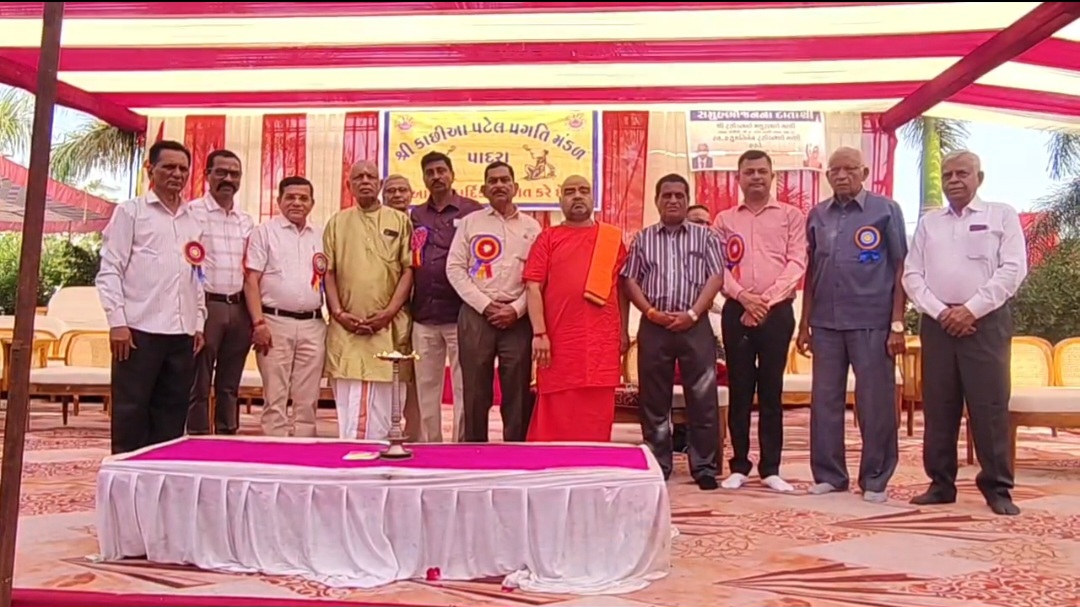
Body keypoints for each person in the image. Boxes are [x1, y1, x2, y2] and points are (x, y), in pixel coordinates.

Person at [902, 150, 1027, 516]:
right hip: (938, 323)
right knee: (939, 406)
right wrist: (942, 312)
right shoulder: (930, 223)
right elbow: (912, 274)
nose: (954, 180)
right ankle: (941, 484)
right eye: (948, 175)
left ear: (979, 178)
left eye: (962, 173)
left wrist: (971, 309)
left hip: (984, 323)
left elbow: (1013, 269)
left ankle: (998, 488)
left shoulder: (1001, 215)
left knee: (989, 406)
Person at [798, 146, 907, 503]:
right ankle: (830, 475)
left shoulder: (886, 210)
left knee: (875, 403)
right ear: (827, 175)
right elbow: (812, 271)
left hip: (872, 321)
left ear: (864, 173)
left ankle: (875, 479)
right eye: (835, 170)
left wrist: (897, 322)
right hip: (826, 323)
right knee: (824, 402)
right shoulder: (818, 214)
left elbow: (901, 267)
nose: (842, 175)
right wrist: (804, 324)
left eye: (849, 169)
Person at [96, 140, 206, 455]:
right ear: (150, 169)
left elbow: (197, 274)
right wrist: (117, 322)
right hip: (138, 331)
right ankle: (125, 475)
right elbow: (110, 270)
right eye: (168, 167)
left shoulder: (193, 218)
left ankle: (161, 476)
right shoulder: (130, 212)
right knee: (131, 412)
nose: (177, 174)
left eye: (183, 168)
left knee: (172, 414)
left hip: (182, 333)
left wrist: (198, 321)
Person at [620, 174, 725, 490]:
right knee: (654, 399)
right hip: (655, 326)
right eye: (666, 195)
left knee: (702, 398)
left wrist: (693, 313)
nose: (673, 201)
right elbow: (629, 280)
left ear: (687, 199)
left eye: (679, 195)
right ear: (657, 201)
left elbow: (716, 277)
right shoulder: (643, 239)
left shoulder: (705, 237)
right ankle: (658, 464)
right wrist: (650, 312)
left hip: (695, 325)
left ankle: (704, 467)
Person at [714, 150, 807, 492]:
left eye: (762, 171)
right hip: (736, 310)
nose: (756, 177)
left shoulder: (791, 216)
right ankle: (739, 465)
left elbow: (797, 262)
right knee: (740, 388)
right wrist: (744, 298)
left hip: (776, 311)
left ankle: (771, 468)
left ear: (772, 176)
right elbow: (717, 267)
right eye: (749, 172)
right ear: (738, 178)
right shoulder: (724, 219)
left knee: (771, 390)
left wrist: (764, 301)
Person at [524, 175, 629, 442]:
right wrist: (539, 333)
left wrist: (623, 331)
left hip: (601, 341)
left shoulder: (611, 239)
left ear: (593, 198)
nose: (578, 196)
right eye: (570, 191)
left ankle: (593, 461)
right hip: (559, 341)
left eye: (584, 190)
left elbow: (621, 288)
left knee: (596, 407)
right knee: (558, 407)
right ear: (560, 200)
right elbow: (533, 287)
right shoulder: (548, 237)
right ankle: (553, 461)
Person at [447, 161, 540, 442]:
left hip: (517, 318)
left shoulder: (532, 227)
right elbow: (455, 268)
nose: (499, 185)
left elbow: (538, 276)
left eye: (504, 180)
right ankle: (475, 451)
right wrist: (485, 306)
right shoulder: (470, 223)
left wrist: (516, 309)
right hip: (477, 315)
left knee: (517, 391)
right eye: (493, 181)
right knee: (475, 390)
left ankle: (516, 452)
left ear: (515, 187)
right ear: (483, 189)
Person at [324, 159, 414, 440]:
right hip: (346, 329)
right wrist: (339, 313)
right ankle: (353, 455)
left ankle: (379, 456)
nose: (365, 181)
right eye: (358, 177)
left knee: (388, 405)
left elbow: (409, 270)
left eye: (370, 177)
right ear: (349, 185)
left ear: (379, 184)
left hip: (388, 328)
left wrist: (388, 313)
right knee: (349, 403)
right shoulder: (337, 222)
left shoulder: (400, 221)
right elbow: (328, 272)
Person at [243, 176, 326, 437]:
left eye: (303, 198)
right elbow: (251, 280)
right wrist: (258, 323)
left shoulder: (321, 235)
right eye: (290, 197)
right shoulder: (264, 232)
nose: (297, 203)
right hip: (274, 323)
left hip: (313, 324)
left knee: (308, 396)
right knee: (275, 395)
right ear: (279, 201)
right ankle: (275, 448)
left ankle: (304, 447)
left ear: (312, 203)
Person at [410, 153, 482, 442]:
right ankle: (431, 445)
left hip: (461, 314)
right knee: (426, 386)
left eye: (441, 171)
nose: (436, 176)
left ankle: (460, 446)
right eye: (430, 173)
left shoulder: (472, 211)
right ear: (424, 179)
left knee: (464, 386)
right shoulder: (416, 215)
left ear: (452, 174)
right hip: (423, 315)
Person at [186, 149, 254, 435]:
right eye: (221, 172)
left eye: (234, 174)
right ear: (207, 175)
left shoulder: (245, 220)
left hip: (238, 307)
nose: (228, 179)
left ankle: (228, 435)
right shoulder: (191, 213)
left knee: (230, 382)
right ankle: (197, 436)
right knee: (198, 380)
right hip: (206, 305)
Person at [381, 174, 423, 441]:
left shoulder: (421, 224)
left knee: (417, 380)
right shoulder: (376, 226)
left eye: (402, 190)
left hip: (422, 314)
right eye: (391, 191)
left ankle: (416, 439)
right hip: (387, 313)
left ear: (411, 195)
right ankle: (386, 434)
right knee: (388, 373)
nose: (397, 195)